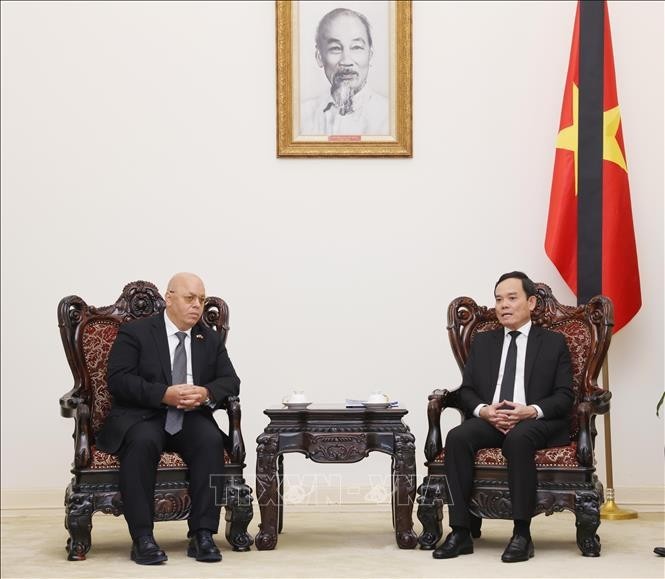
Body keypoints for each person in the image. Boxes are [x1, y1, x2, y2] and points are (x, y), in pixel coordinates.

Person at [96, 272, 240, 565]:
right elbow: (119, 380)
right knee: (142, 443)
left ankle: (202, 534)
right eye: (190, 298)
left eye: (201, 299)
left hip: (190, 415)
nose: (197, 306)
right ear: (169, 298)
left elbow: (231, 381)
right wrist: (164, 394)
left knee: (210, 441)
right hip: (144, 414)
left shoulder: (206, 338)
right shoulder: (136, 332)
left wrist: (205, 392)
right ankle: (143, 538)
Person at [433, 271, 573, 563]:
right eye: (498, 299)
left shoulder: (553, 342)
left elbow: (564, 396)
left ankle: (522, 534)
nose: (503, 305)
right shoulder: (484, 342)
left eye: (512, 298)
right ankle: (460, 532)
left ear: (531, 302)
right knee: (457, 437)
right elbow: (467, 390)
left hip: (535, 421)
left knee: (519, 440)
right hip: (493, 419)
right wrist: (484, 410)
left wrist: (530, 410)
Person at [300, 7, 389, 136]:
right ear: (319, 57)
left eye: (356, 47)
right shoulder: (301, 118)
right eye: (335, 48)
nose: (346, 61)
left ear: (370, 55)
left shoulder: (391, 117)